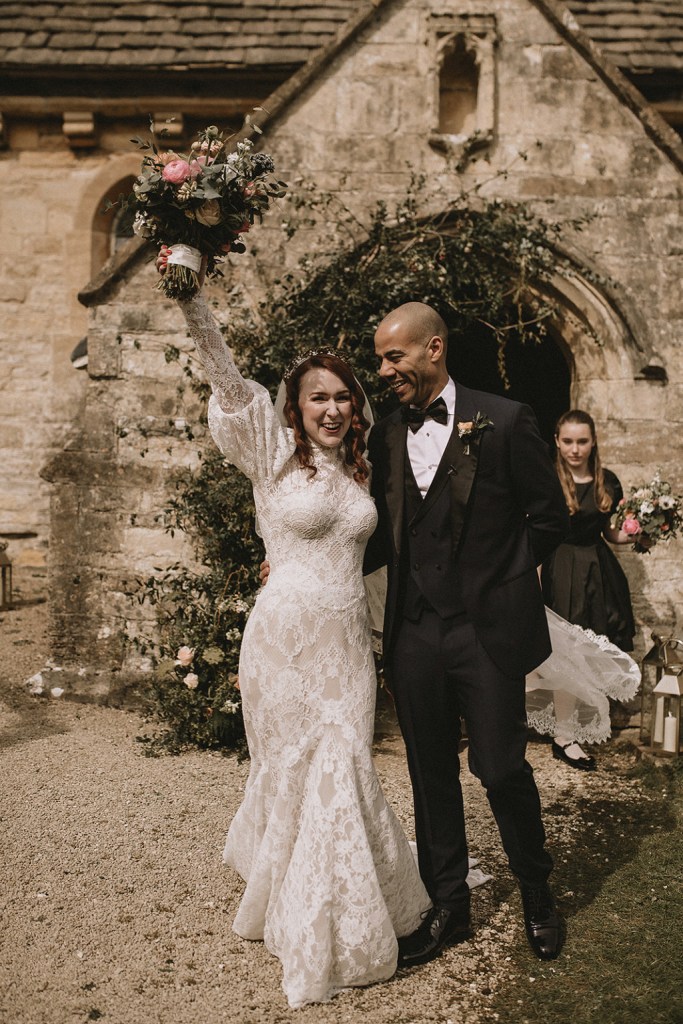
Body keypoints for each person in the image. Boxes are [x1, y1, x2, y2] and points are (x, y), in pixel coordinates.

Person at [156, 250, 430, 1009]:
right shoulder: (271, 456)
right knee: (300, 768)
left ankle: (343, 909)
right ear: (295, 407)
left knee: (345, 762)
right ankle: (311, 925)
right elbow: (222, 376)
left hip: (345, 644)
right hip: (283, 642)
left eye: (343, 397)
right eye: (318, 399)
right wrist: (189, 296)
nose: (334, 409)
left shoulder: (365, 470)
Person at [364, 301, 570, 967]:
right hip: (414, 632)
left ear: (433, 349)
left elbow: (547, 517)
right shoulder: (385, 433)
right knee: (429, 773)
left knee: (501, 766)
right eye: (378, 359)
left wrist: (499, 582)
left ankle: (536, 892)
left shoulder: (504, 419)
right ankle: (447, 906)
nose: (384, 369)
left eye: (393, 356)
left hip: (484, 631)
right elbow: (376, 531)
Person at [541, 409, 638, 771]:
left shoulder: (607, 481)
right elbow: (535, 532)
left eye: (582, 441)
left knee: (592, 648)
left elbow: (611, 532)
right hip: (560, 568)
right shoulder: (548, 478)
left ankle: (582, 724)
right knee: (564, 652)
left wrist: (639, 533)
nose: (575, 449)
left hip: (598, 569)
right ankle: (564, 735)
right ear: (557, 441)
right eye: (568, 441)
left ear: (593, 441)